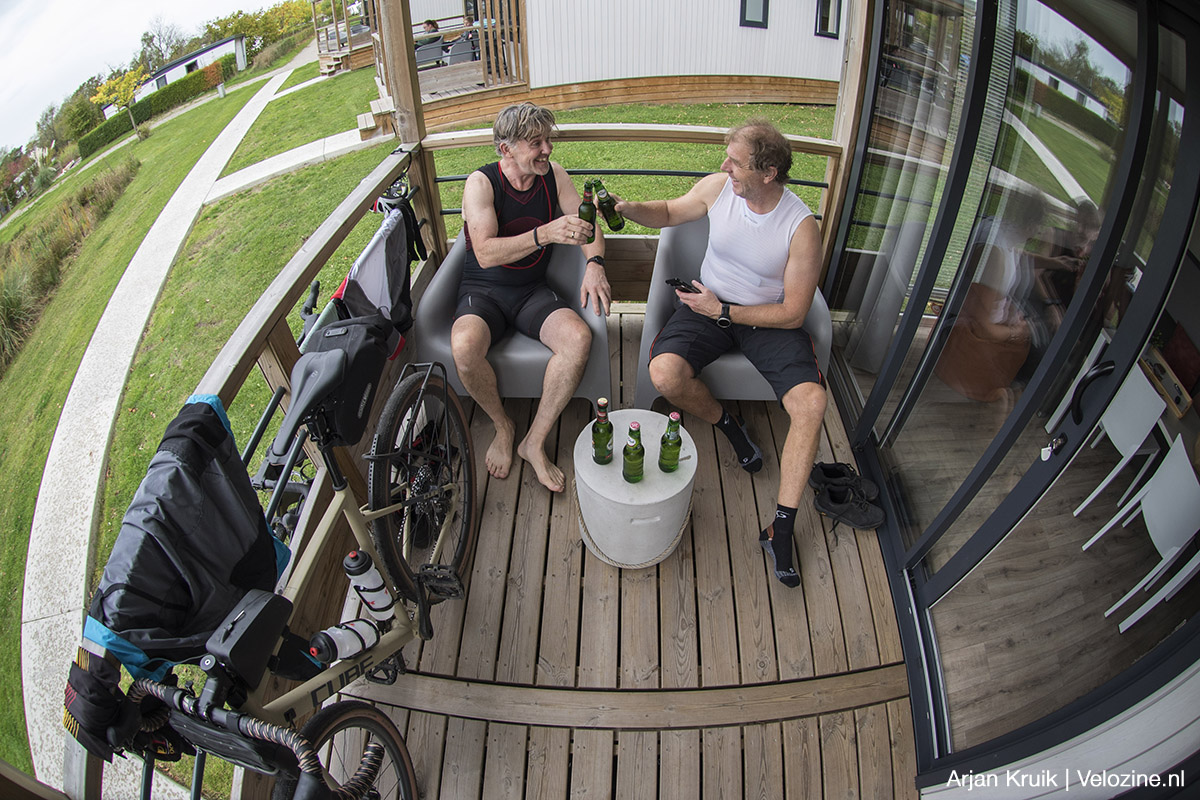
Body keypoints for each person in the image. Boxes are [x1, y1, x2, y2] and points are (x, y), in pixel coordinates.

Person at [614, 118, 836, 588]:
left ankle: (781, 528)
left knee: (813, 403)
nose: (724, 167)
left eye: (735, 162)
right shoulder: (719, 189)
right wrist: (627, 207)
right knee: (665, 374)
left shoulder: (800, 227)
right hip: (705, 306)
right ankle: (730, 426)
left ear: (769, 172)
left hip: (766, 319)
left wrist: (727, 311)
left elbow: (794, 312)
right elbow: (669, 212)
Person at [453, 102, 611, 493]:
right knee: (464, 347)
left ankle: (534, 442)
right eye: (536, 143)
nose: (547, 150)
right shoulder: (482, 184)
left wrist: (595, 264)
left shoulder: (554, 175)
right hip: (483, 291)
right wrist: (544, 234)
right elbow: (485, 253)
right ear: (505, 149)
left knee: (578, 338)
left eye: (548, 140)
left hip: (531, 292)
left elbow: (587, 225)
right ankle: (503, 426)